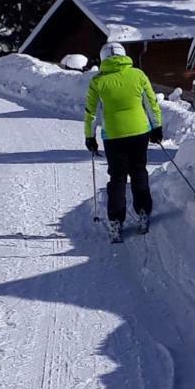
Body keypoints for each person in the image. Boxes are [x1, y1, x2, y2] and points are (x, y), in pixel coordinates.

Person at [84, 42, 163, 241]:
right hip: (139, 132)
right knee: (138, 171)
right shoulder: (138, 75)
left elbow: (91, 113)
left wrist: (90, 136)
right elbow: (151, 103)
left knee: (117, 178)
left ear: (103, 59)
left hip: (113, 136)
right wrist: (157, 127)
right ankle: (143, 213)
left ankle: (115, 223)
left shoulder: (97, 81)